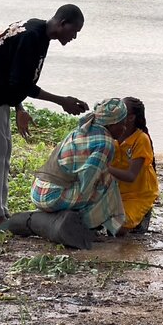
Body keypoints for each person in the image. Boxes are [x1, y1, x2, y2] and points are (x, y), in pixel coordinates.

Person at [0, 4, 91, 231]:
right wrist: (62, 101)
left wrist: (19, 108)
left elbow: (15, 74)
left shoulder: (39, 32)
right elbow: (21, 83)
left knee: (2, 149)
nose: (74, 36)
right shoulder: (32, 36)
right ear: (62, 24)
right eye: (74, 30)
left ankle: (0, 211)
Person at [30, 97, 132, 236]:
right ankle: (91, 224)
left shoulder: (81, 130)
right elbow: (88, 182)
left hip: (38, 191)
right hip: (52, 198)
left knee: (102, 177)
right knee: (108, 182)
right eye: (122, 124)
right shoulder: (105, 142)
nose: (124, 128)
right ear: (111, 124)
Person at [106, 97, 159, 236]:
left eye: (122, 110)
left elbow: (131, 176)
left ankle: (142, 218)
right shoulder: (113, 133)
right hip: (116, 191)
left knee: (118, 229)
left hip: (138, 193)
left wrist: (105, 168)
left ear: (131, 118)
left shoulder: (141, 139)